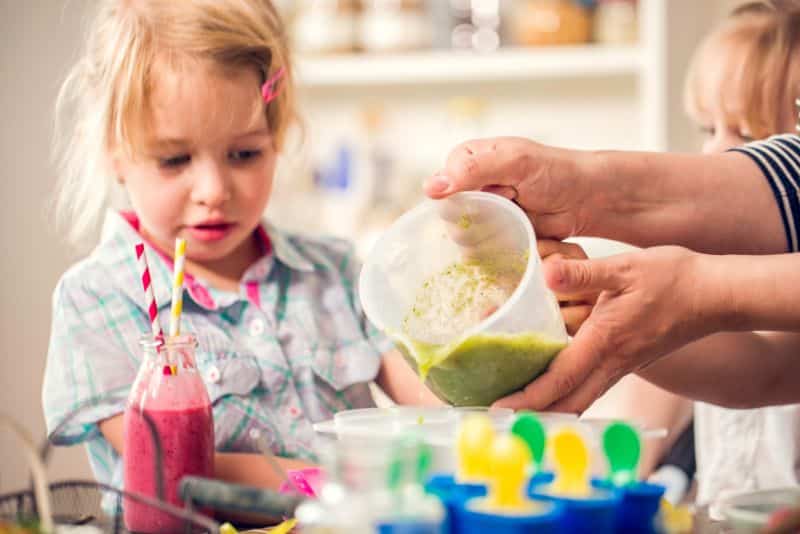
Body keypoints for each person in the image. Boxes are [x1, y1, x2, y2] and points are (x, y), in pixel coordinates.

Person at [43, 0, 437, 499]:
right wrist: (341, 483)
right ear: (114, 153)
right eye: (174, 159)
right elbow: (168, 465)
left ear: (278, 136)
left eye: (244, 153)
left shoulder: (333, 273)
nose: (213, 189)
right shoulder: (97, 299)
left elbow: (435, 405)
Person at [535, 0, 800, 513]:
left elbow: (764, 365)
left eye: (748, 137)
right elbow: (637, 435)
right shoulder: (692, 260)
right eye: (708, 128)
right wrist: (596, 313)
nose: (716, 155)